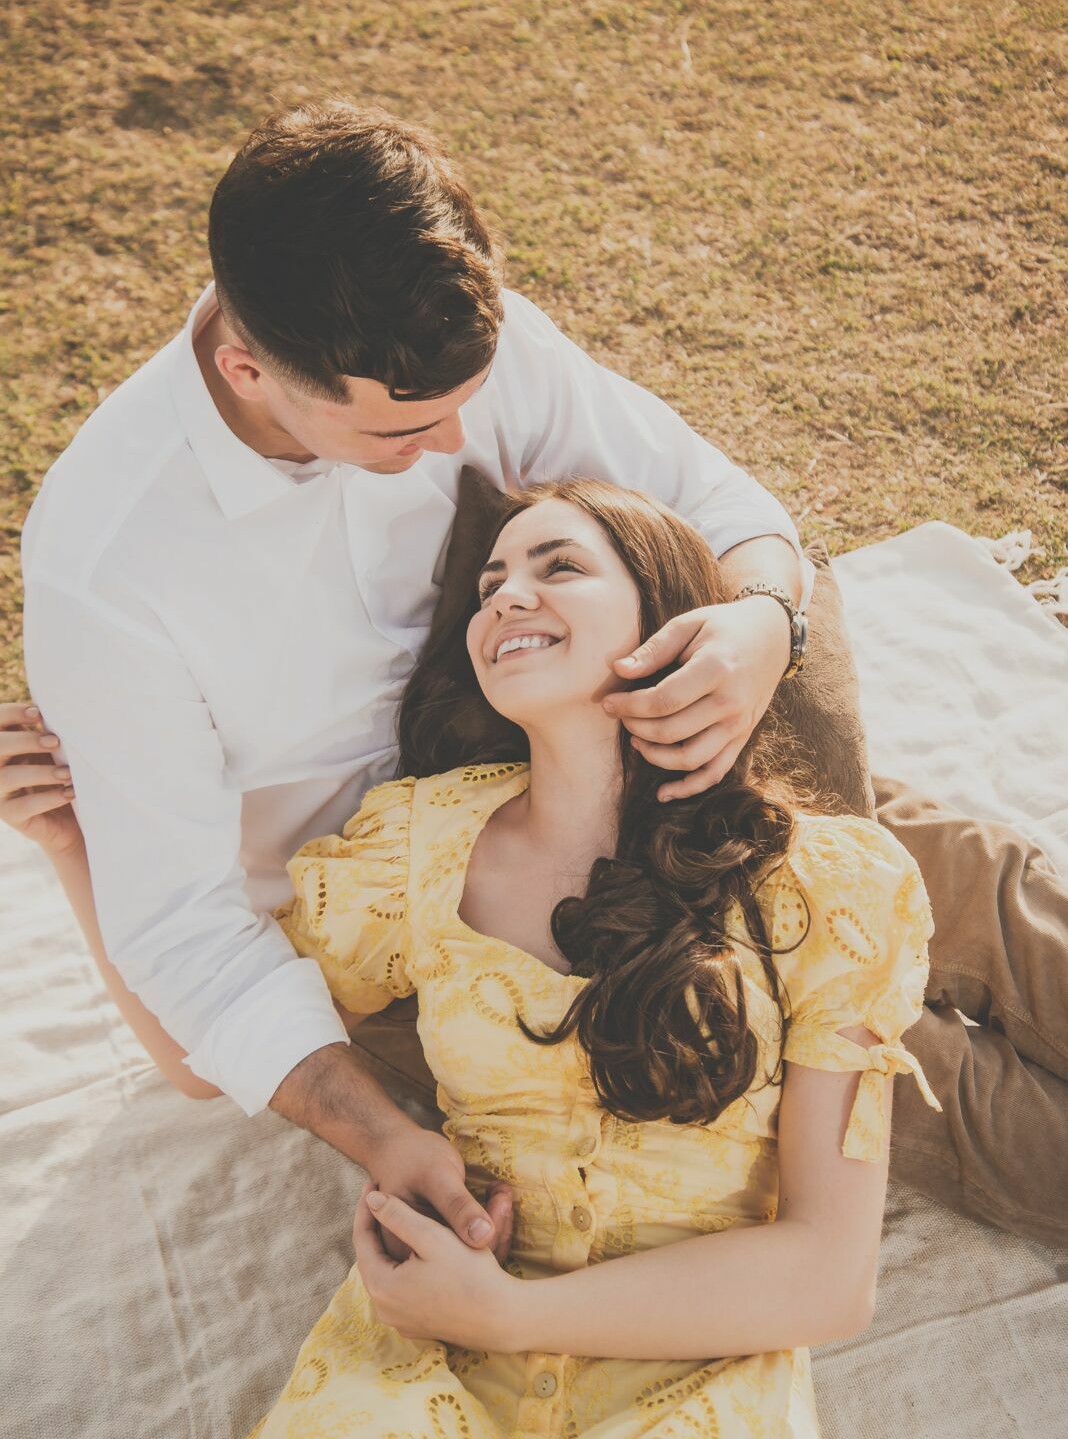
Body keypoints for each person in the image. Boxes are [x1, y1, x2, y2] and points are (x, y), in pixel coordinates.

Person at [10, 98, 812, 1261]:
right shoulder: (108, 568)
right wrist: (382, 1137)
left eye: (462, 410)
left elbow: (720, 501)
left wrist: (762, 627)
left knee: (895, 886)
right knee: (760, 1052)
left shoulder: (461, 349)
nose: (451, 451)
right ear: (247, 369)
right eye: (403, 432)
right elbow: (186, 938)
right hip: (380, 913)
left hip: (567, 751)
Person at [248, 477, 939, 1438]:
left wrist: (510, 1314)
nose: (504, 597)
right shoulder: (410, 844)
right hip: (419, 1376)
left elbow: (830, 1276)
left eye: (558, 566)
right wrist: (81, 848)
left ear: (666, 618)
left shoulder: (828, 885)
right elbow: (229, 1020)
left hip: (691, 1377)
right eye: (491, 583)